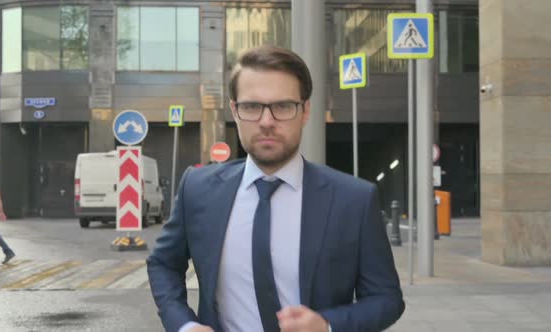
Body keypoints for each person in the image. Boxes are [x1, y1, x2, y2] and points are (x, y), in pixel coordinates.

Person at [147, 46, 404, 332]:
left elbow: (387, 299)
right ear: (235, 110)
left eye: (283, 106)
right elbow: (163, 264)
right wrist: (184, 325)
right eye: (252, 106)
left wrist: (327, 325)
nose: (266, 122)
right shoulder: (198, 189)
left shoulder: (354, 200)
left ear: (305, 110)